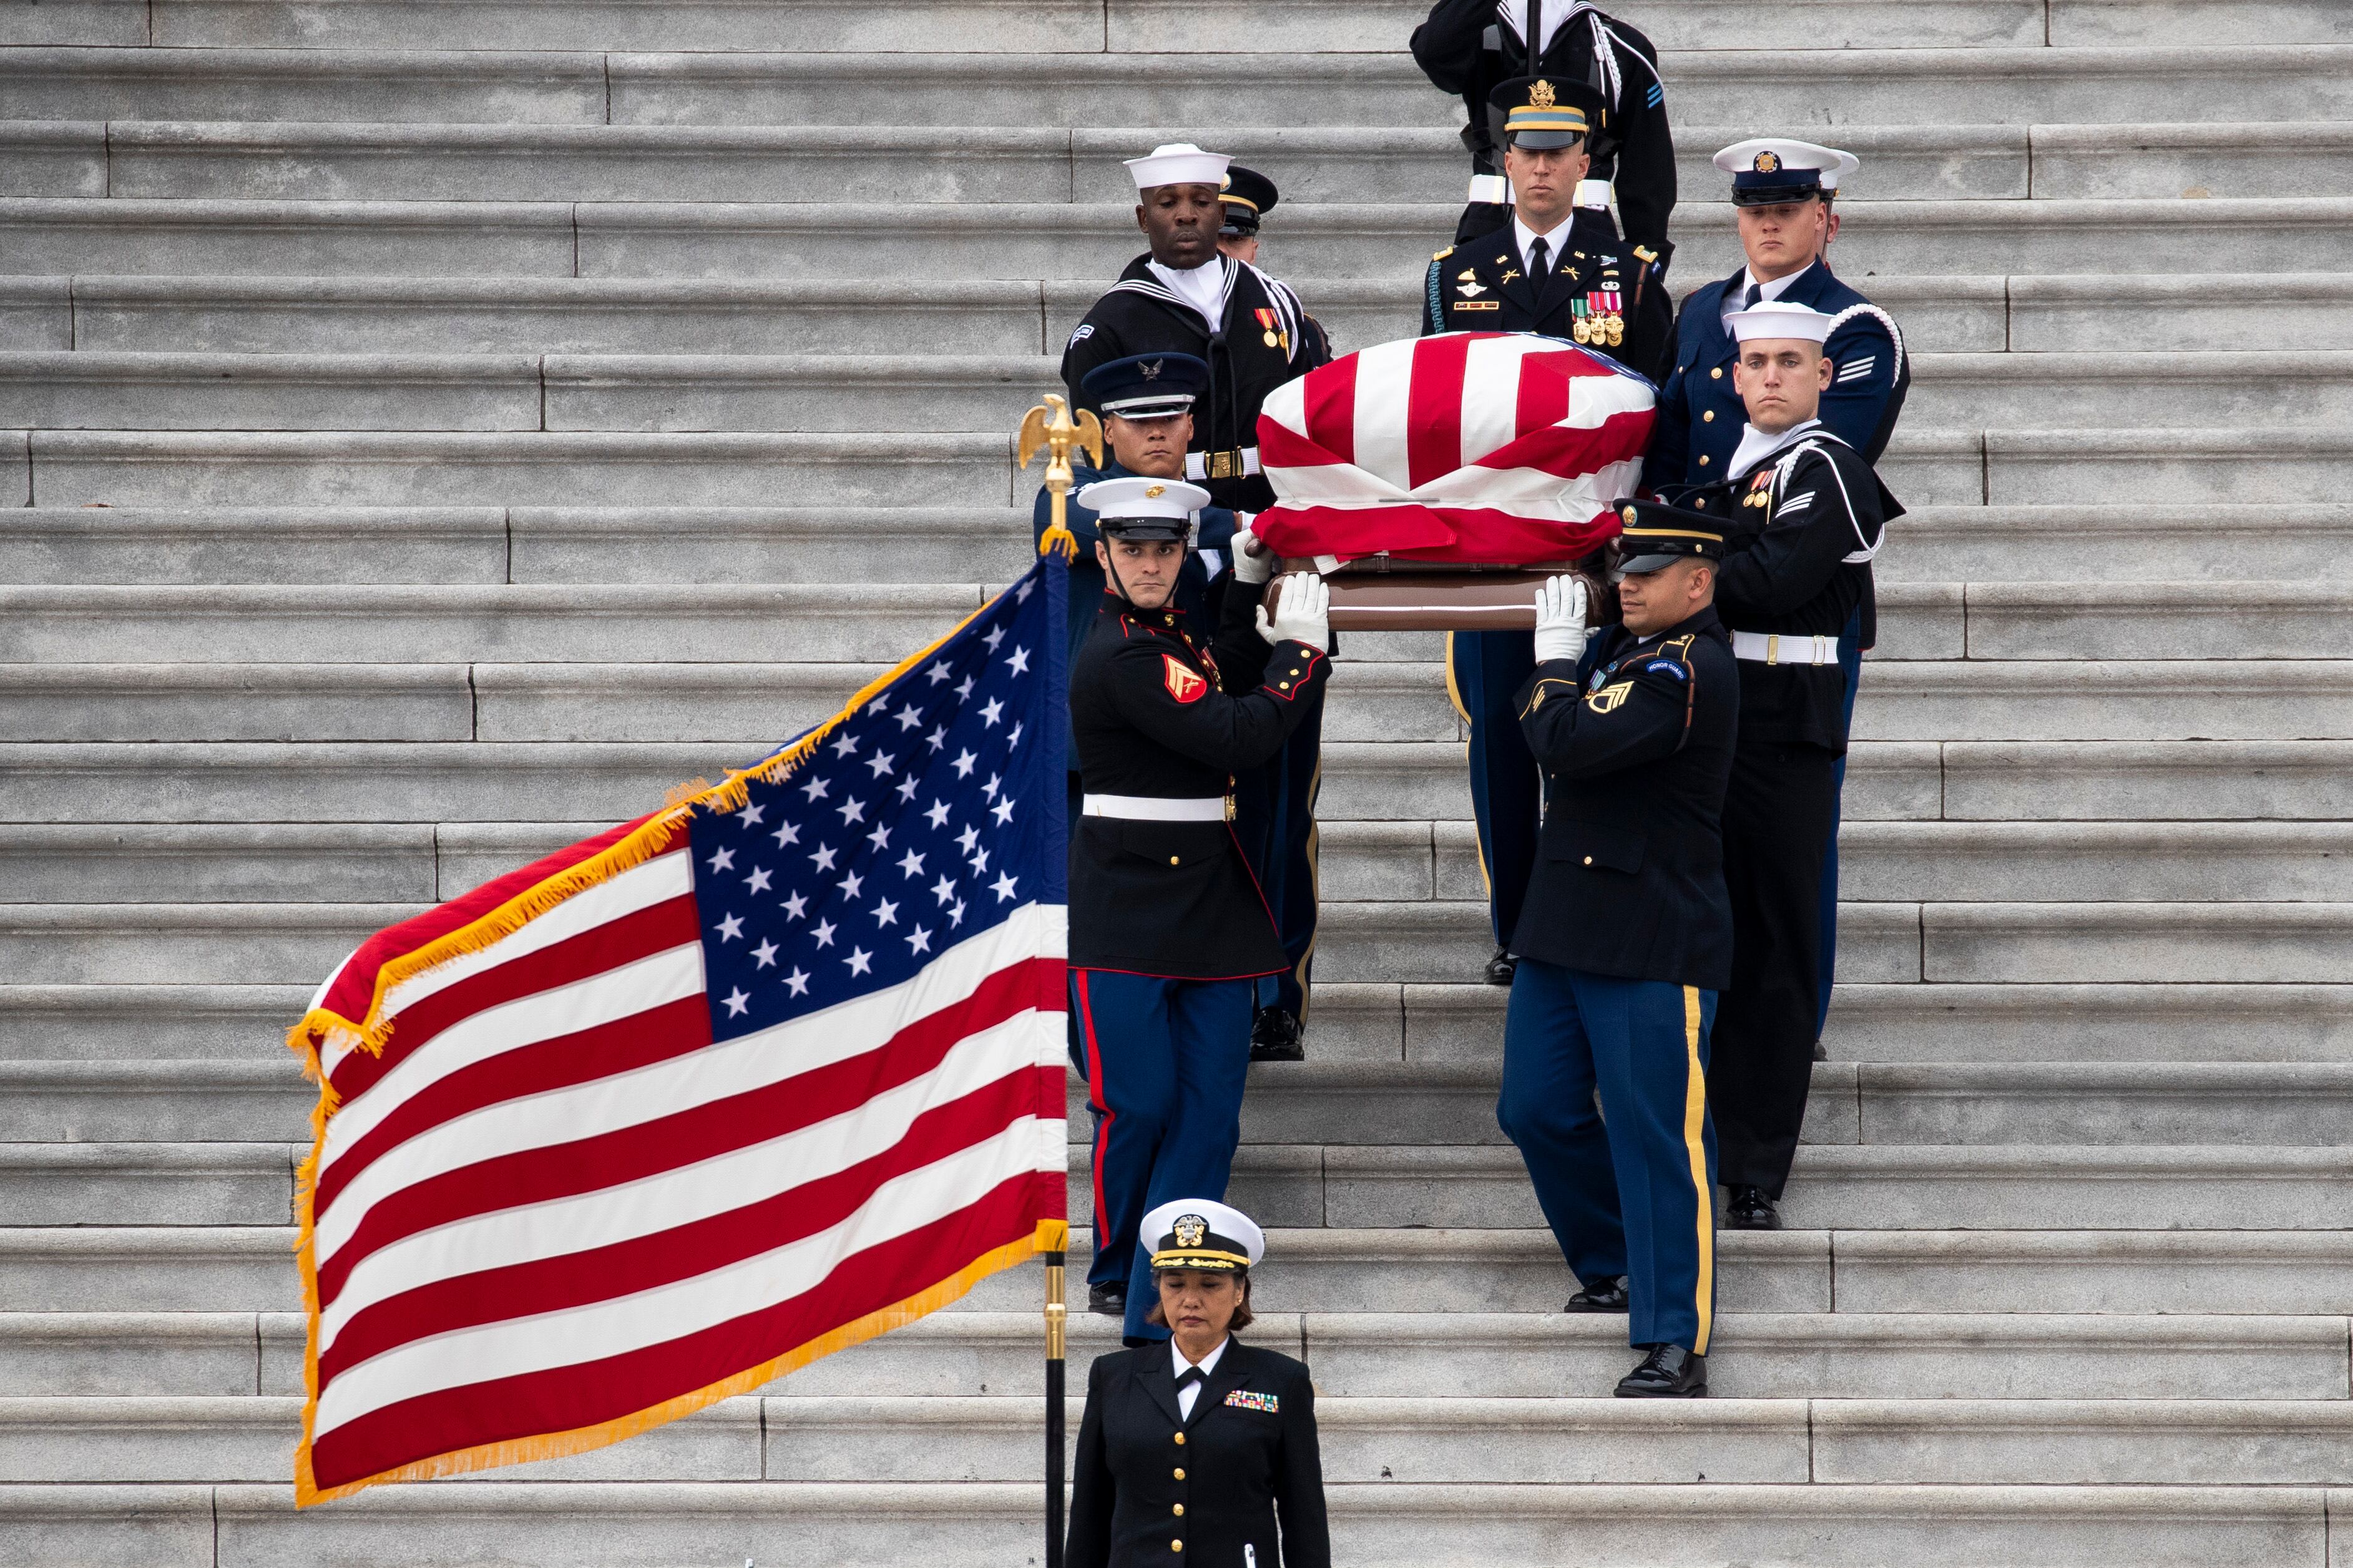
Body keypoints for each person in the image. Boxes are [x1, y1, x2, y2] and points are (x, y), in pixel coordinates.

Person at [1645, 137, 1908, 1060]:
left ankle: (1793, 1027)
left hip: (1796, 616)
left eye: (1787, 207)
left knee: (1793, 847)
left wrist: (1694, 552)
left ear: (1826, 219)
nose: (1766, 221)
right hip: (1694, 613)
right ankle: (1710, 1018)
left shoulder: (1855, 330)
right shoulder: (1699, 316)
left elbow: (1817, 480)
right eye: (1753, 208)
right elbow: (1668, 465)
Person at [1067, 475, 1334, 1334]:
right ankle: (1117, 1263)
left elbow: (1217, 658)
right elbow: (1235, 733)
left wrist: (1249, 582)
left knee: (1211, 1108)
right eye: (1134, 549)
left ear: (1185, 554)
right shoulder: (1121, 653)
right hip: (1126, 903)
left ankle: (1170, 1260)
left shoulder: (1169, 631)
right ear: (1103, 553)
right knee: (1138, 1100)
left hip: (1210, 904)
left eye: (1166, 549)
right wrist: (1300, 655)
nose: (1150, 564)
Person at [1422, 73, 1671, 988]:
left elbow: (1657, 418)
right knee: (1498, 736)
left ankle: (1584, 910)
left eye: (1556, 152)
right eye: (1523, 152)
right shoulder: (1454, 277)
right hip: (1488, 552)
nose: (1539, 168)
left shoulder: (1629, 277)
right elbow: (1434, 417)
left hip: (1591, 553)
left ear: (1584, 162)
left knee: (1591, 728)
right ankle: (1518, 924)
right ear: (1502, 161)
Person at [1661, 300, 1901, 1232]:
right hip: (1703, 713)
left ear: (1820, 378)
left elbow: (1773, 580)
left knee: (1773, 945)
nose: (1767, 376)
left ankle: (1754, 1164)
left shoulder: (1827, 467)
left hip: (1780, 729)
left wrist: (1675, 576)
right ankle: (1695, 1139)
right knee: (1690, 937)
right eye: (1753, 360)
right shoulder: (1721, 474)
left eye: (1787, 361)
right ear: (1730, 374)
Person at [1497, 505, 1738, 1398]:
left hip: (1648, 931)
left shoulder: (1687, 668)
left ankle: (1676, 1333)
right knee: (1533, 1108)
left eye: (1646, 570)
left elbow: (1565, 741)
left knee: (1655, 1137)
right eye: (1622, 568)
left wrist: (1553, 663)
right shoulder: (1634, 651)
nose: (1625, 581)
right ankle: (1613, 1258)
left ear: (1698, 581)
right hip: (1565, 922)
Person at [1207, 164, 1329, 1062]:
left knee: (1280, 808)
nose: (1226, 250)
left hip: (1276, 586)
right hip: (1187, 581)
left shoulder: (1293, 328)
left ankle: (1274, 991)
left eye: (1237, 235)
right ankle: (1211, 976)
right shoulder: (1146, 322)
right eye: (1213, 232)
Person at [1062, 142, 1329, 516]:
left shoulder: (1276, 301)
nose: (1186, 215)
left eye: (1201, 202)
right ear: (1143, 218)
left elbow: (1310, 423)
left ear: (1220, 213)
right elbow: (1106, 466)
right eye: (1167, 203)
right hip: (1167, 526)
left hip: (1273, 517)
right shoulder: (1107, 326)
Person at [1066, 1200, 1329, 1568]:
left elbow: (1304, 1515)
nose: (1191, 1300)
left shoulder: (1281, 1380)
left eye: (1210, 1284)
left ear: (1239, 1292)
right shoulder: (1113, 1377)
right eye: (1175, 1284)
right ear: (1159, 1289)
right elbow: (1090, 1509)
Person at [1410, 0, 1674, 255]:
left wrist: (1646, 258)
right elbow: (1432, 51)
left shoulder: (1620, 48)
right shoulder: (1476, 34)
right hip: (1489, 226)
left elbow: (1648, 166)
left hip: (1587, 229)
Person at [1218, 164, 1333, 364]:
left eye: (1235, 240)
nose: (1222, 251)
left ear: (1253, 251)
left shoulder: (1296, 325)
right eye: (1212, 239)